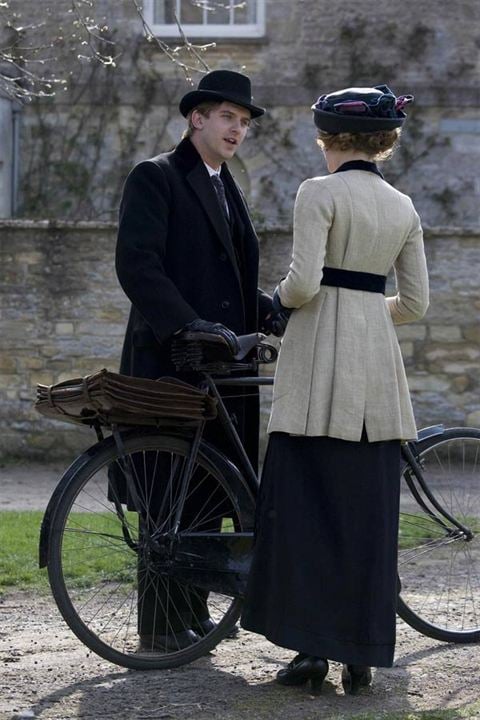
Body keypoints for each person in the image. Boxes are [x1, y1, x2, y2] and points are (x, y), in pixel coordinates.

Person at [241, 85, 429, 694]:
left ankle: (310, 655)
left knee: (304, 511)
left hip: (319, 362)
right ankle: (361, 656)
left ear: (331, 139)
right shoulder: (403, 206)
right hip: (376, 372)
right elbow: (418, 304)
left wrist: (275, 303)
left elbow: (303, 283)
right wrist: (370, 313)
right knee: (366, 514)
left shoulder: (317, 192)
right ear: (384, 141)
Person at [114, 69, 285, 650]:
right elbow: (138, 265)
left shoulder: (225, 183)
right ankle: (159, 626)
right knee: (168, 495)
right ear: (196, 118)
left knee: (210, 493)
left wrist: (268, 309)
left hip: (222, 368)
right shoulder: (156, 176)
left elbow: (231, 276)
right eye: (227, 117)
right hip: (171, 359)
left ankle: (189, 616)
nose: (237, 128)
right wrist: (189, 324)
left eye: (243, 121)